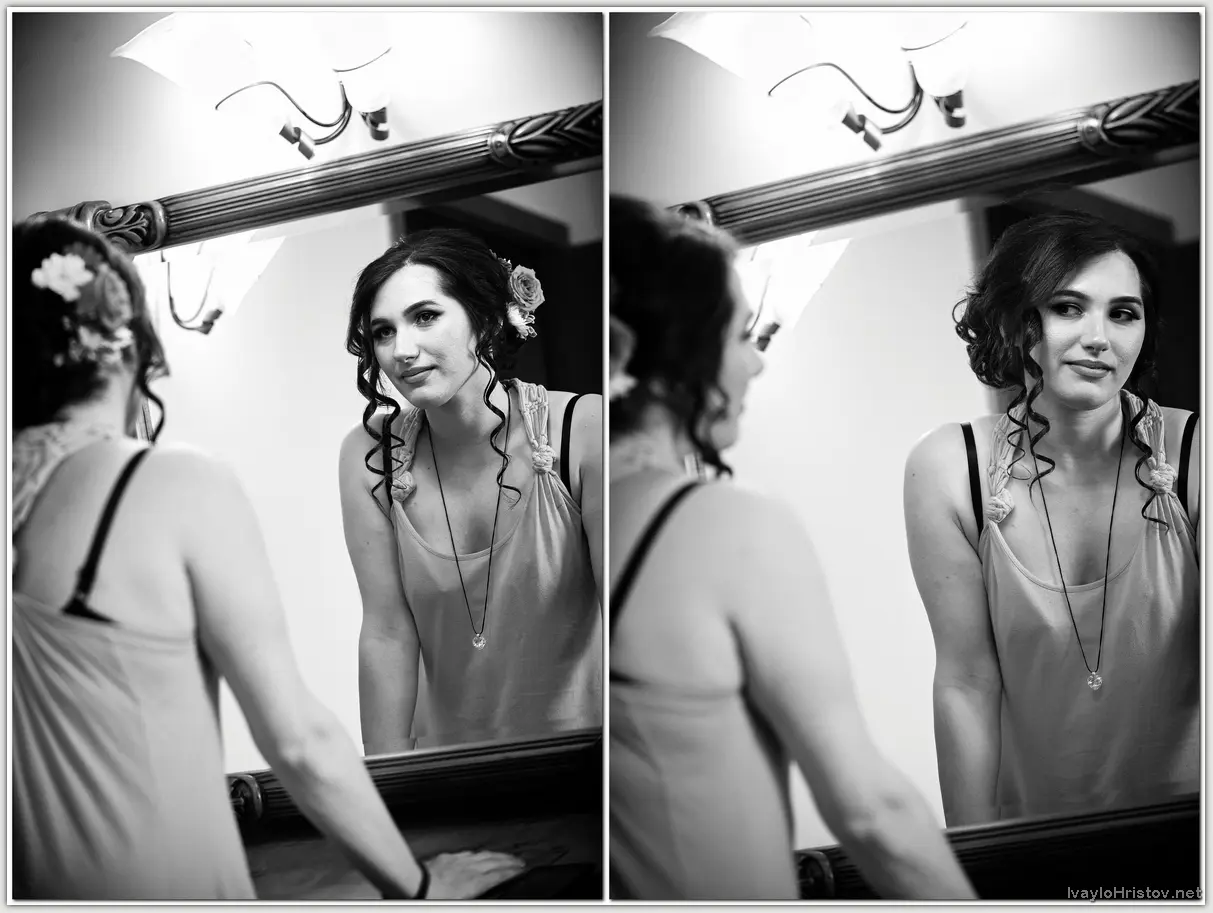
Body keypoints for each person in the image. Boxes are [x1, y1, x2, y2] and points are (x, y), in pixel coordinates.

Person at [10, 216, 524, 900]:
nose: (402, 348)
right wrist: (418, 887)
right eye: (382, 330)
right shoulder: (170, 483)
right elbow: (297, 740)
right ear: (127, 341)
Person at [607, 195, 974, 901]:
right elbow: (870, 812)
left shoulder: (582, 514)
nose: (755, 363)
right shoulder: (727, 528)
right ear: (671, 356)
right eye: (737, 334)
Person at [904, 211, 1200, 825]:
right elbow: (966, 682)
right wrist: (976, 861)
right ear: (1016, 321)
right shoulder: (951, 467)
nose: (1100, 337)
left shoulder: (1197, 451)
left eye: (1123, 313)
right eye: (1068, 307)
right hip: (1033, 841)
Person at [340, 228, 602, 754]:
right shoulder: (369, 454)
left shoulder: (584, 427)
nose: (402, 350)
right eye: (383, 331)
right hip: (445, 772)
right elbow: (387, 632)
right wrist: (389, 786)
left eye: (425, 316)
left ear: (484, 319)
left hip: (583, 765)